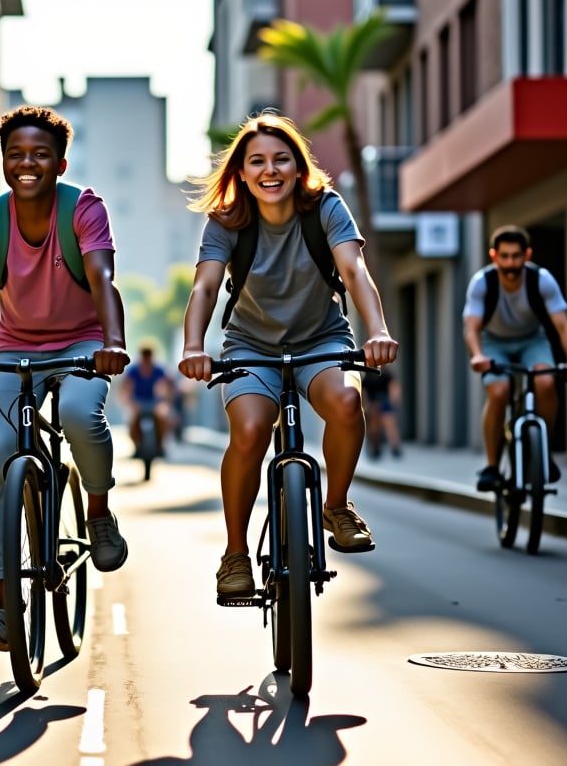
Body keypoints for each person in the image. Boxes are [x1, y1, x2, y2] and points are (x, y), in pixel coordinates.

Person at [0, 104, 131, 651]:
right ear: (4, 161)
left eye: (40, 154)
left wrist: (112, 342)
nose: (27, 163)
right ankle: (3, 610)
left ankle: (98, 510)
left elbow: (103, 277)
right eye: (16, 155)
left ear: (60, 163)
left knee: (83, 415)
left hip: (84, 341)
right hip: (14, 347)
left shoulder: (83, 208)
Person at [176, 111, 398, 598]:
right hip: (250, 346)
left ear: (299, 167)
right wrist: (194, 346)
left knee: (344, 403)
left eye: (281, 159)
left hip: (322, 339)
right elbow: (206, 286)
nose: (269, 170)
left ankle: (335, 505)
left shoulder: (326, 208)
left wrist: (377, 330)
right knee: (252, 429)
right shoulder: (227, 220)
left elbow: (355, 271)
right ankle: (235, 555)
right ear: (241, 172)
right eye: (256, 161)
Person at [462, 224, 567, 491]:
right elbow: (472, 328)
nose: (510, 263)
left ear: (527, 255)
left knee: (547, 383)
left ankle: (542, 453)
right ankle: (491, 467)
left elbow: (563, 324)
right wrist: (478, 355)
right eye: (505, 256)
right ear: (494, 256)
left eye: (516, 256)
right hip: (493, 342)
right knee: (499, 390)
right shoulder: (482, 283)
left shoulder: (542, 279)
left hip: (531, 340)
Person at [121, 342, 173, 457]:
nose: (146, 358)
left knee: (162, 417)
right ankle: (137, 446)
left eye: (148, 355)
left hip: (154, 402)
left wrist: (166, 402)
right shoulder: (133, 370)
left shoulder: (158, 370)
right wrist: (128, 402)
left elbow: (168, 385)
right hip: (137, 402)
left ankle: (160, 445)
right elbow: (125, 387)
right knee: (132, 420)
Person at [362, 367, 402, 459]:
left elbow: (393, 386)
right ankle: (375, 448)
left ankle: (395, 448)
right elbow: (363, 392)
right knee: (374, 428)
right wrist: (365, 406)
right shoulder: (367, 376)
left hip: (385, 402)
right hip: (373, 404)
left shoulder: (386, 373)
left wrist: (394, 400)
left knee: (390, 425)